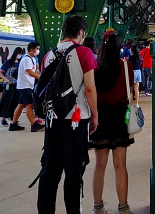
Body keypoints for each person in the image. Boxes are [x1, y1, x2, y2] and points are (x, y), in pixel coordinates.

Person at [37, 15, 98, 214]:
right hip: (76, 119)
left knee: (50, 170)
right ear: (81, 32)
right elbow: (89, 88)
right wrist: (95, 114)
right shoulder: (85, 53)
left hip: (52, 119)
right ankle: (73, 210)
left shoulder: (48, 54)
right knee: (74, 170)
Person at [89, 28, 134, 214]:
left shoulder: (95, 68)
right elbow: (129, 91)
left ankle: (98, 207)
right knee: (120, 165)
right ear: (118, 49)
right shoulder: (126, 67)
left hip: (100, 116)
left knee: (100, 165)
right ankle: (123, 207)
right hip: (119, 116)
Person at [9, 41, 44, 132]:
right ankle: (33, 124)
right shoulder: (26, 59)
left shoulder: (31, 58)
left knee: (20, 105)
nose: (38, 51)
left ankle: (13, 124)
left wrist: (42, 75)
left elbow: (34, 71)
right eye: (37, 49)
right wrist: (41, 78)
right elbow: (30, 72)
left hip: (26, 85)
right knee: (29, 105)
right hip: (25, 86)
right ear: (32, 49)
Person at [0, 46, 22, 126]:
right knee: (5, 101)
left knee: (14, 102)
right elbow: (0, 72)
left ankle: (12, 117)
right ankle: (3, 118)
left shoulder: (19, 63)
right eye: (19, 54)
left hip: (17, 86)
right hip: (8, 85)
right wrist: (5, 79)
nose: (19, 55)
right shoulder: (8, 62)